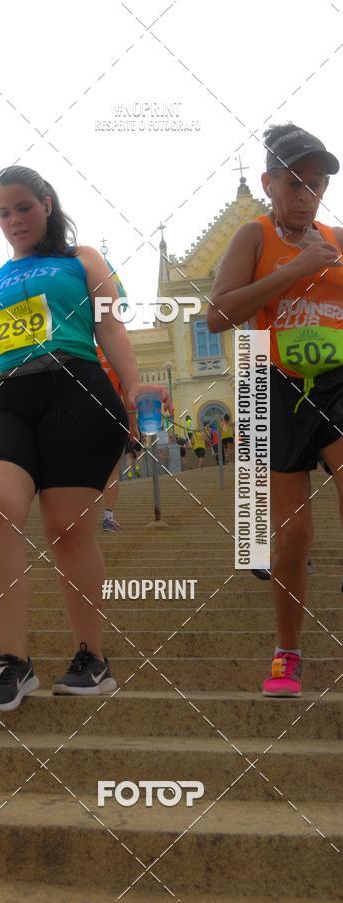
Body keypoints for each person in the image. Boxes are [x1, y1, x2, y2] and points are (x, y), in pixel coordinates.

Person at [0, 164, 171, 711]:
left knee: (67, 530)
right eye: (3, 213)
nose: (14, 220)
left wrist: (133, 389)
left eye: (23, 208)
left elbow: (109, 325)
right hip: (9, 395)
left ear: (47, 205)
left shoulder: (81, 259)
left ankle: (92, 658)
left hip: (75, 389)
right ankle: (13, 661)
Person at [208, 123, 343, 698]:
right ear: (268, 183)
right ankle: (288, 651)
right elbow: (217, 315)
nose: (306, 194)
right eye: (294, 182)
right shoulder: (254, 235)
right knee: (292, 537)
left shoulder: (337, 237)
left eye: (315, 184)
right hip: (274, 385)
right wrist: (294, 271)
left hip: (337, 380)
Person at [96, 343, 126, 532]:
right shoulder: (119, 352)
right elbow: (127, 391)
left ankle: (82, 517)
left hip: (85, 414)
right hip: (113, 414)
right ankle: (108, 517)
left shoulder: (84, 351)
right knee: (113, 471)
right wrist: (133, 422)